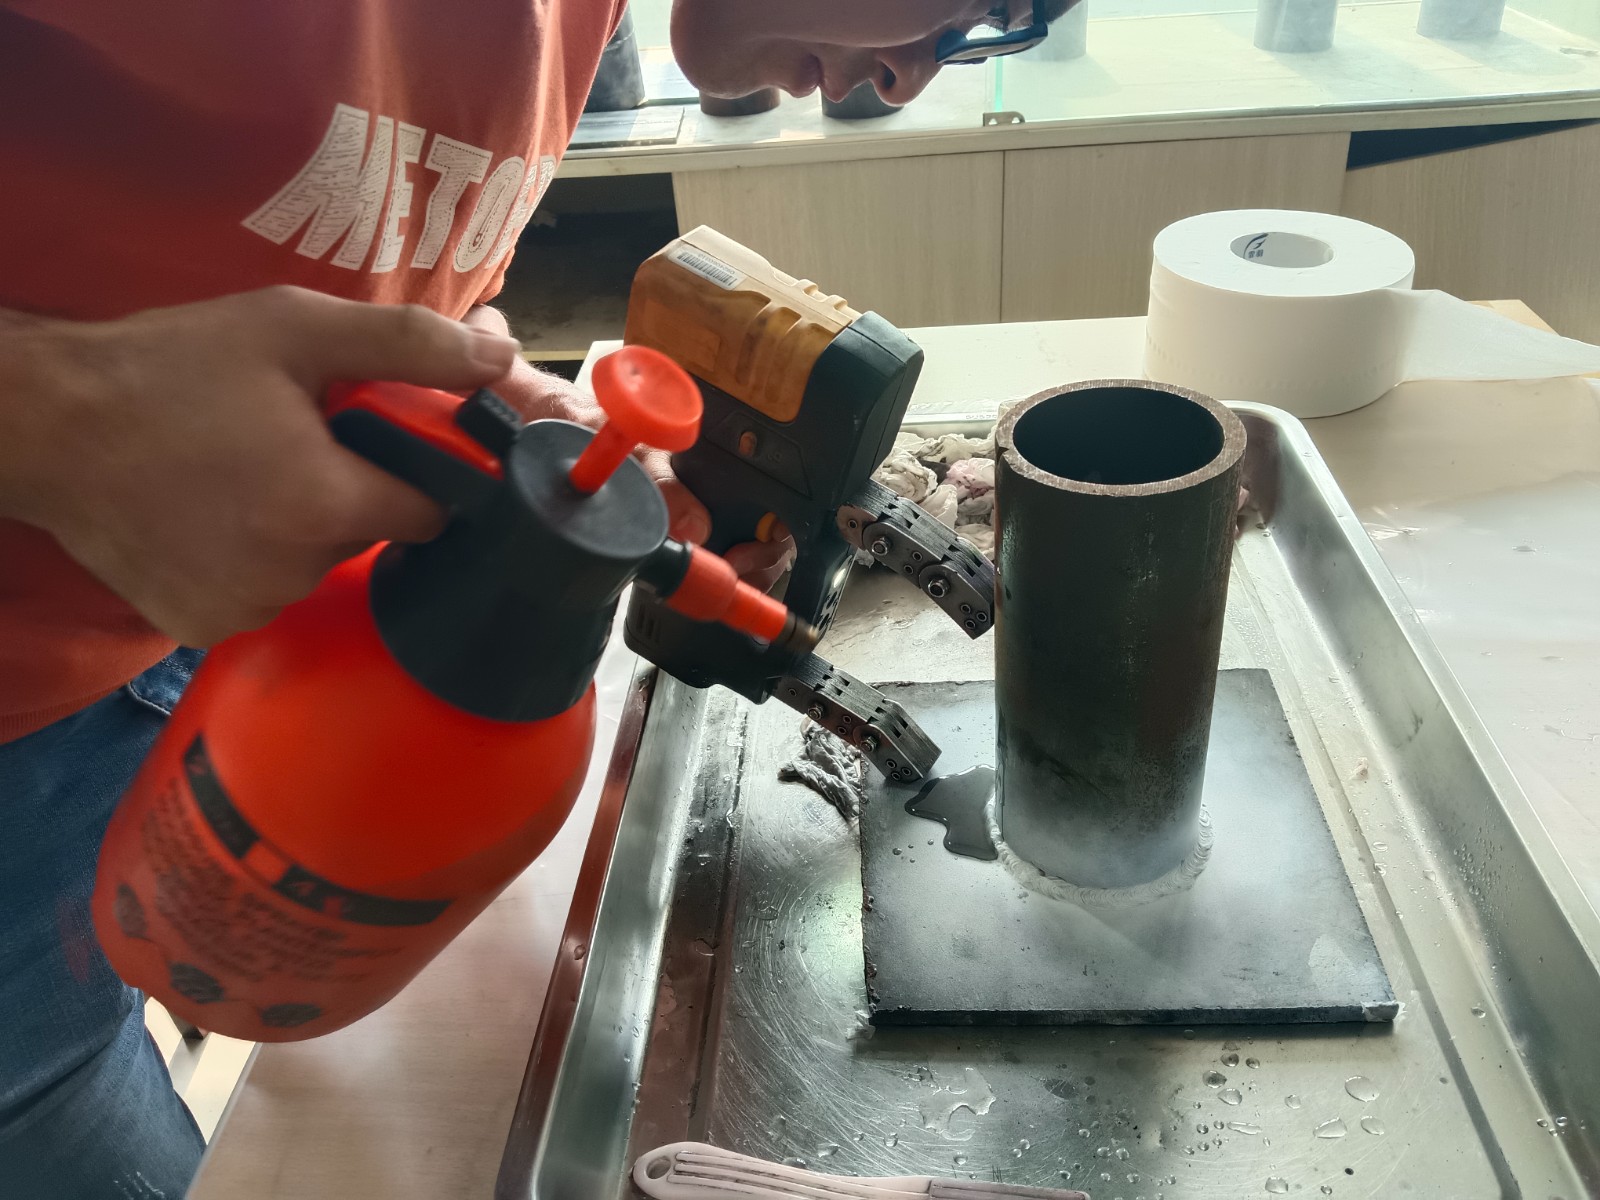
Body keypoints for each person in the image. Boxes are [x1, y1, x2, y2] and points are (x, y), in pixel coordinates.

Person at [0, 0, 1079, 1194]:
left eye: (993, 30)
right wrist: (47, 412)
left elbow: (353, 241)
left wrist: (507, 402)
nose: (912, 79)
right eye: (964, 5)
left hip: (269, 627)